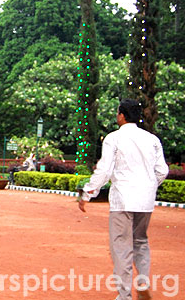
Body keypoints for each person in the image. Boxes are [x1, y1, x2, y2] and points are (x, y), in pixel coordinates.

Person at [78, 99, 168, 300]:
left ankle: (124, 295)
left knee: (121, 247)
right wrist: (149, 186)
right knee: (141, 241)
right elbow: (162, 170)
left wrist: (87, 192)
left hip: (123, 199)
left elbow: (104, 170)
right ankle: (143, 281)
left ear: (122, 115)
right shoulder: (152, 140)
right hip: (145, 201)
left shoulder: (113, 138)